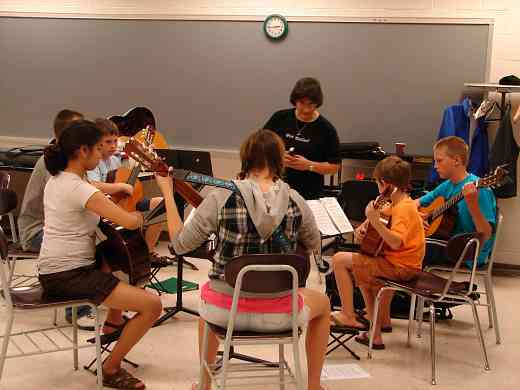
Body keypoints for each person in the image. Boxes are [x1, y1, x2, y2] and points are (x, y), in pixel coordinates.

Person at [154, 129, 330, 390]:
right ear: (279, 161)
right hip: (280, 314)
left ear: (245, 159)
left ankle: (203, 384)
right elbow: (314, 243)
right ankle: (313, 386)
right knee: (324, 305)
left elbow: (179, 246)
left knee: (208, 295)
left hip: (224, 313)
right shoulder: (296, 200)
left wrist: (168, 193)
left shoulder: (221, 197)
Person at [39, 120, 162, 389]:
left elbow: (96, 197)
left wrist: (115, 195)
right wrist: (150, 209)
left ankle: (113, 321)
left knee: (109, 252)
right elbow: (129, 222)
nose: (101, 155)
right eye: (97, 149)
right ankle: (111, 367)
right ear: (83, 151)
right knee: (152, 306)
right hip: (67, 275)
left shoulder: (61, 179)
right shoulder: (79, 188)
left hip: (54, 268)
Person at [330, 156, 425, 350]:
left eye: (376, 182)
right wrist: (364, 228)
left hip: (400, 267)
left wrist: (372, 219)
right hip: (398, 264)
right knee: (365, 276)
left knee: (339, 260)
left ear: (386, 184)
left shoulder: (404, 209)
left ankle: (348, 314)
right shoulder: (397, 202)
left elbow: (395, 241)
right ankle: (375, 335)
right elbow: (382, 217)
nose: (376, 186)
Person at [17, 109, 94, 327]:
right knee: (88, 243)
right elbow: (74, 197)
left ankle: (96, 298)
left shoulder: (68, 159)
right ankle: (77, 308)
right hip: (36, 232)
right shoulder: (53, 162)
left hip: (52, 228)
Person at [86, 118, 168, 264]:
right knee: (132, 216)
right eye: (108, 142)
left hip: (126, 203)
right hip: (105, 208)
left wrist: (144, 157)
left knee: (162, 205)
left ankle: (147, 253)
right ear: (97, 143)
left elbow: (126, 179)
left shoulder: (115, 159)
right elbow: (91, 185)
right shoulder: (93, 162)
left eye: (115, 141)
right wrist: (120, 187)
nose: (113, 146)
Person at [417, 136, 496, 268]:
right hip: (445, 241)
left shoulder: (481, 190)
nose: (435, 166)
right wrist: (419, 217)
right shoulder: (447, 185)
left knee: (408, 248)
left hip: (468, 252)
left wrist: (473, 205)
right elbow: (416, 203)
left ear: (456, 160)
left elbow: (486, 234)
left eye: (439, 161)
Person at [263, 77, 341, 200]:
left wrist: (309, 165)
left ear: (318, 103)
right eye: (301, 103)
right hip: (274, 187)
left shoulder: (327, 129)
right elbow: (261, 145)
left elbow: (334, 167)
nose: (306, 109)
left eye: (311, 104)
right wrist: (278, 155)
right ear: (295, 101)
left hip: (308, 193)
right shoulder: (279, 118)